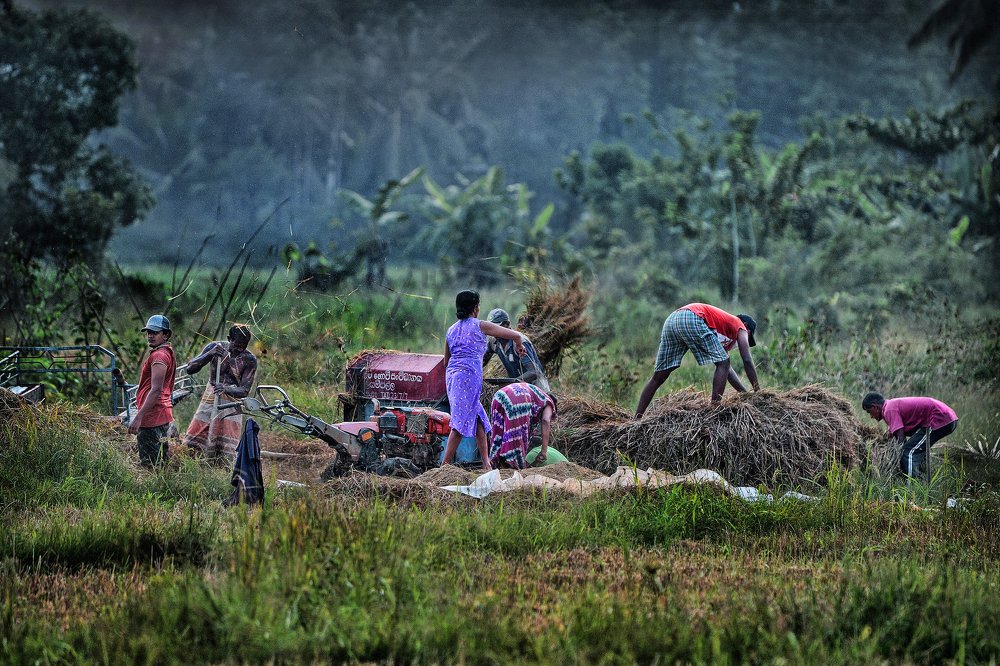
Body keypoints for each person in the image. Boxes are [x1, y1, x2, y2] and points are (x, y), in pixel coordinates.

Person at [442, 290, 528, 471]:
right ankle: (443, 467)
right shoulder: (479, 325)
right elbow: (510, 334)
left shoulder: (451, 330)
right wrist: (519, 340)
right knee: (459, 423)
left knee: (479, 418)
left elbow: (445, 361)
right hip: (468, 378)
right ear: (475, 308)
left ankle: (486, 464)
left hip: (453, 377)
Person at [635, 303, 760, 417]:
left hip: (673, 319)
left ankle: (637, 418)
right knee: (724, 362)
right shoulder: (739, 325)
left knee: (658, 377)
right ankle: (714, 411)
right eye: (748, 337)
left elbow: (727, 370)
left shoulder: (722, 329)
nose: (746, 342)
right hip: (692, 317)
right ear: (746, 326)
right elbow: (747, 360)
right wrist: (758, 393)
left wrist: (744, 394)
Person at [182, 324, 258, 462]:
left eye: (243, 345)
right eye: (236, 344)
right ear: (230, 339)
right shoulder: (214, 347)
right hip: (210, 398)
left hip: (231, 403)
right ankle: (192, 462)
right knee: (193, 440)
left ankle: (222, 470)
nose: (239, 349)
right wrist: (208, 355)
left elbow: (244, 390)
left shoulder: (249, 359)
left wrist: (226, 389)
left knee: (226, 449)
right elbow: (190, 368)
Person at [862, 392, 958, 479]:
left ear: (875, 407)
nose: (871, 416)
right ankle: (922, 481)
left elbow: (901, 438)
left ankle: (911, 487)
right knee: (916, 450)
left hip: (939, 418)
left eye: (869, 412)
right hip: (947, 417)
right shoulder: (889, 407)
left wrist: (897, 458)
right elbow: (894, 434)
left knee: (908, 453)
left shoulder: (889, 409)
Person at [128, 314, 177, 467]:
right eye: (149, 332)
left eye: (155, 332)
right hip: (160, 414)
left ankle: (152, 490)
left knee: (150, 466)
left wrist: (139, 417)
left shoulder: (159, 356)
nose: (150, 336)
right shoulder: (166, 353)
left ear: (166, 335)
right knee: (160, 464)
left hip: (152, 417)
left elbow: (156, 390)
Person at [488, 382, 557, 470]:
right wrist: (544, 451)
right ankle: (514, 468)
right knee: (516, 436)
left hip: (500, 394)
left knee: (499, 432)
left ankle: (494, 465)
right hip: (519, 397)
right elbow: (546, 420)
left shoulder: (537, 394)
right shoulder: (549, 402)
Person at [482, 307, 550, 391]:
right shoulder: (493, 341)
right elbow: (482, 361)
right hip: (516, 389)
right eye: (493, 328)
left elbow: (533, 373)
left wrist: (511, 384)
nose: (495, 331)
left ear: (507, 324)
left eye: (498, 327)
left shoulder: (520, 343)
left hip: (536, 389)